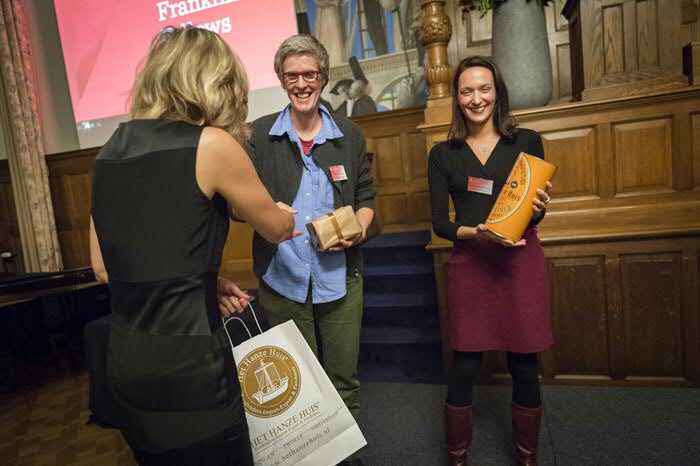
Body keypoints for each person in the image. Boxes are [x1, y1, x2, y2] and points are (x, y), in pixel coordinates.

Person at [89, 26, 296, 465]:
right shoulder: (211, 144)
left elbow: (104, 267)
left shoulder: (109, 151)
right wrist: (282, 213)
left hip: (127, 366)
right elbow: (275, 228)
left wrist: (205, 277)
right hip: (190, 369)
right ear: (218, 83)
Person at [244, 34, 376, 466]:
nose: (302, 83)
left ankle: (348, 461)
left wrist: (359, 228)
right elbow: (234, 206)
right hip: (282, 282)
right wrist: (266, 212)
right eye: (292, 75)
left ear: (322, 77)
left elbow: (367, 198)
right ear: (282, 80)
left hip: (340, 279)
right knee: (298, 389)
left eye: (310, 74)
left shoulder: (349, 135)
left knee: (343, 380)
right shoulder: (259, 136)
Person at [427, 55, 554, 466]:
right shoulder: (443, 154)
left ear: (497, 91)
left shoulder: (527, 141)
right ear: (457, 97)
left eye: (484, 88)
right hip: (471, 264)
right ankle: (457, 454)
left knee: (524, 362)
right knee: (464, 363)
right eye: (466, 90)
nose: (476, 98)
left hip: (519, 264)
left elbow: (533, 211)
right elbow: (440, 224)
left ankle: (527, 455)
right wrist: (475, 233)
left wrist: (541, 206)